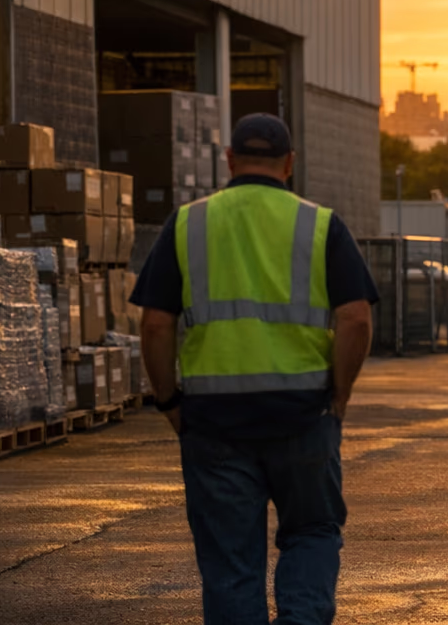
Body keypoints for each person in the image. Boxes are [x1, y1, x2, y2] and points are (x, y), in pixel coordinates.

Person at [132, 113, 379, 625]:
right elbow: (356, 318)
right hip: (303, 414)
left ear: (229, 160)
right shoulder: (320, 224)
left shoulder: (187, 224)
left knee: (230, 561)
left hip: (213, 423)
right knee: (311, 532)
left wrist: (168, 401)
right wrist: (340, 396)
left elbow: (156, 325)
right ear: (289, 164)